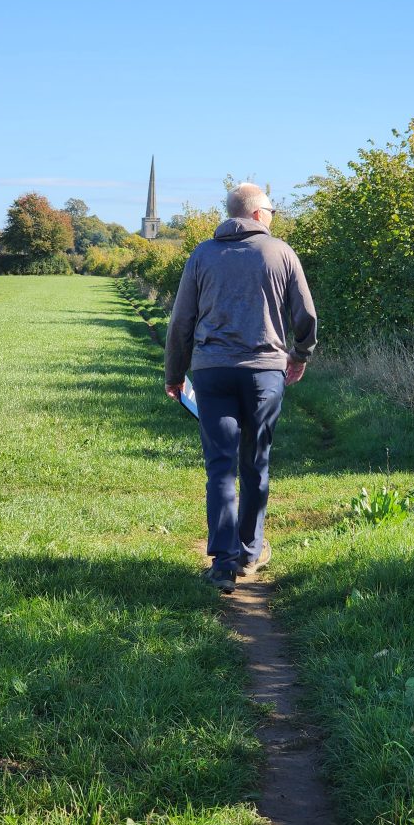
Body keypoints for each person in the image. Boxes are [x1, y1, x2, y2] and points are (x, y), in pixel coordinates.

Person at [164, 182, 317, 594]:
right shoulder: (280, 252)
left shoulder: (202, 255)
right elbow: (305, 316)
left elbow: (181, 321)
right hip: (264, 372)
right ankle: (249, 552)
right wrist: (299, 355)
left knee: (219, 466)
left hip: (212, 372)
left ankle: (222, 563)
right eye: (272, 211)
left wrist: (175, 373)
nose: (273, 218)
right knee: (255, 461)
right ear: (256, 213)